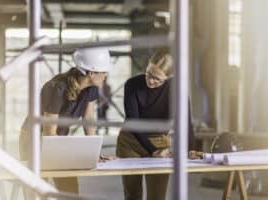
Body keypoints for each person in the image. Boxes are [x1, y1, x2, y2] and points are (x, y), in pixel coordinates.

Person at [19, 47, 113, 193]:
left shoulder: (92, 88)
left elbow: (88, 119)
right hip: (34, 138)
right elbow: (49, 134)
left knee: (70, 189)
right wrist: (71, 153)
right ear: (91, 73)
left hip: (58, 138)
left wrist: (94, 151)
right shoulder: (57, 89)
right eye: (103, 71)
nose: (106, 75)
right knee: (37, 188)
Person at [116, 49, 195, 200]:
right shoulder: (132, 85)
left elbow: (186, 123)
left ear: (169, 77)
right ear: (147, 66)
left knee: (157, 196)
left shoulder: (177, 90)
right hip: (131, 142)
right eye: (148, 73)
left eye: (157, 79)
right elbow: (134, 123)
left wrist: (190, 150)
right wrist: (153, 151)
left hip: (159, 142)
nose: (150, 80)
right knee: (132, 195)